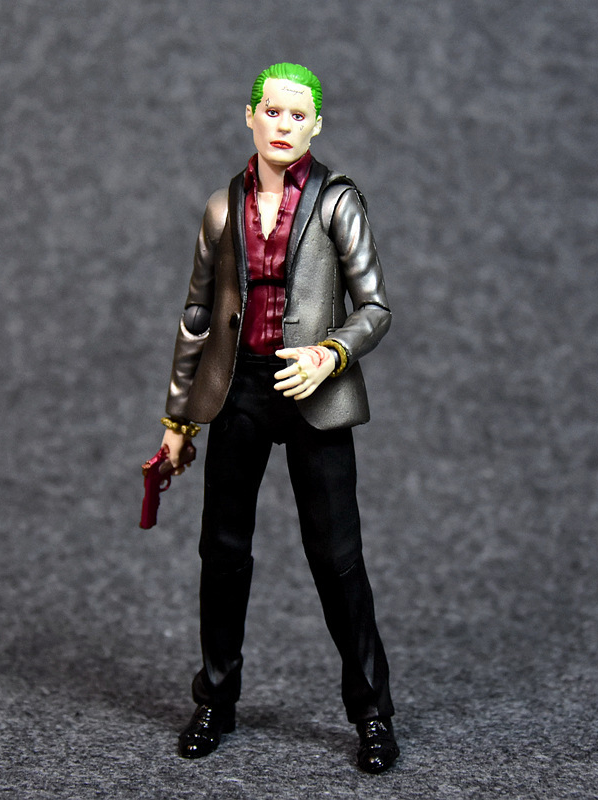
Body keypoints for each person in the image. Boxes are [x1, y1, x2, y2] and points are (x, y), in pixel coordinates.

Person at [158, 62, 399, 774]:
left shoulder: (337, 202)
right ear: (250, 116)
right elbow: (197, 313)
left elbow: (375, 308)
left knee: (337, 556)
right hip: (239, 389)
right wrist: (178, 419)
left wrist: (331, 353)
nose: (283, 125)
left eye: (298, 115)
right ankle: (216, 698)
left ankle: (373, 712)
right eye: (272, 111)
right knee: (222, 550)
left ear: (317, 124)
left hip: (312, 392)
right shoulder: (222, 207)